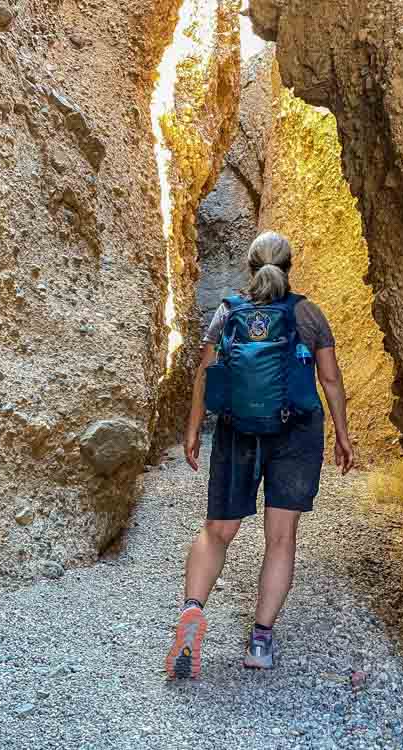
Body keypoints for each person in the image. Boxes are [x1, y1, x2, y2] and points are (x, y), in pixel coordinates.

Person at [165, 230, 355, 680]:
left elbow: (205, 372)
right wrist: (343, 435)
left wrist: (193, 430)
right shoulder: (308, 313)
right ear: (290, 266)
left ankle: (192, 611)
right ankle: (260, 640)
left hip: (238, 431)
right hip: (296, 433)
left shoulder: (229, 310)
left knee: (217, 531)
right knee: (281, 537)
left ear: (250, 267)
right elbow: (329, 379)